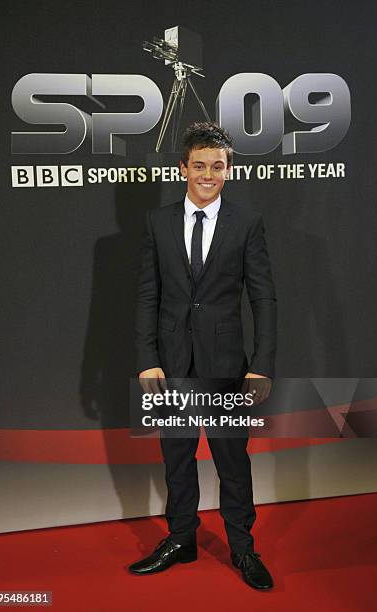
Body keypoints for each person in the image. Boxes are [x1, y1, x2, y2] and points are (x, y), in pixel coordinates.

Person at [129, 122, 277, 590]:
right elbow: (148, 295)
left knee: (232, 460)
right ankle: (181, 539)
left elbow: (263, 299)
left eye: (217, 166)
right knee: (177, 458)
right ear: (183, 168)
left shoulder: (247, 223)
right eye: (199, 166)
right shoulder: (158, 222)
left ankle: (243, 548)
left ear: (228, 171)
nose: (208, 174)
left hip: (227, 364)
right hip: (170, 362)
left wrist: (261, 363)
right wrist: (146, 356)